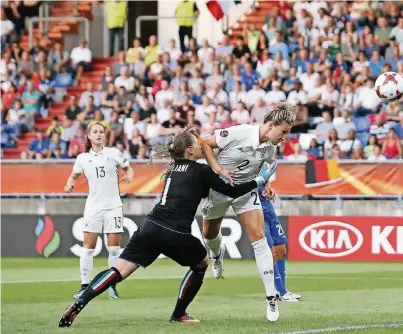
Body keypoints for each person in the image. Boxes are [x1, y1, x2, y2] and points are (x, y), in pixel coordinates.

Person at [58, 126, 278, 327]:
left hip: (150, 225)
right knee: (201, 262)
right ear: (190, 151)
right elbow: (232, 191)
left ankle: (80, 302)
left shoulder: (173, 169)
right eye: (197, 143)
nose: (202, 145)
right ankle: (179, 314)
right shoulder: (201, 171)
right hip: (175, 231)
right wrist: (259, 180)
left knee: (119, 270)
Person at [200, 102, 296, 322]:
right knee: (209, 234)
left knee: (260, 239)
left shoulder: (270, 148)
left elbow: (265, 166)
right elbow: (205, 144)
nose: (284, 137)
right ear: (271, 125)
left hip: (246, 192)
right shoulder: (239, 132)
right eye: (283, 132)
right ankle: (216, 254)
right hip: (219, 190)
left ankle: (271, 297)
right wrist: (219, 169)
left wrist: (268, 186)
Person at [64, 122, 134, 300]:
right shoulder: (82, 158)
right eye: (95, 132)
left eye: (101, 132)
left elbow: (129, 168)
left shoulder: (113, 153)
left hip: (113, 207)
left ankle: (111, 286)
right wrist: (69, 183)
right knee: (88, 249)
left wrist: (128, 176)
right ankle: (84, 286)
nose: (99, 134)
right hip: (93, 207)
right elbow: (74, 175)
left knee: (113, 249)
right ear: (89, 136)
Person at [258, 184, 302, 302]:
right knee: (270, 253)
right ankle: (281, 292)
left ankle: (282, 290)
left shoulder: (262, 167)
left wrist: (268, 187)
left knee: (281, 251)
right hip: (256, 214)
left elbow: (264, 180)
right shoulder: (238, 168)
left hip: (269, 211)